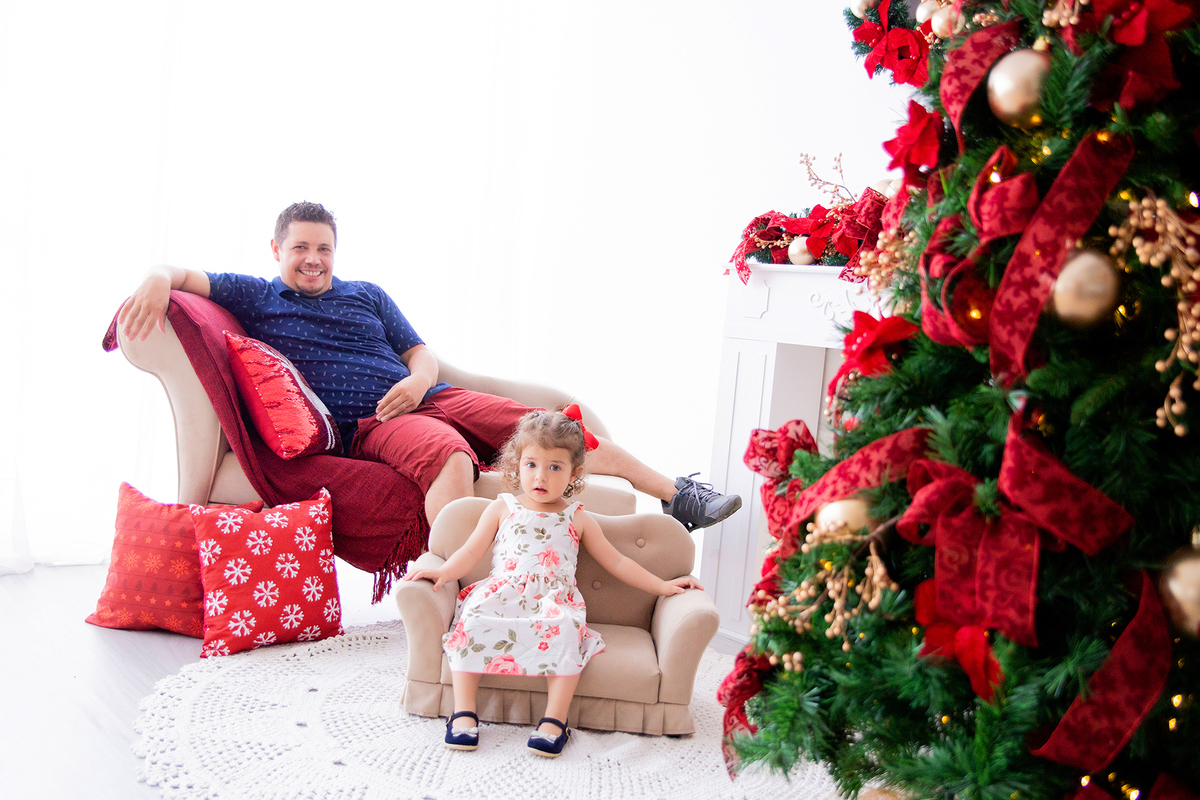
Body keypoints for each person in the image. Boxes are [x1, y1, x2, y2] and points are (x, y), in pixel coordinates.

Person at [118, 201, 741, 529]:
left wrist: (419, 379)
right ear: (276, 249)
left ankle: (678, 495)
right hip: (380, 422)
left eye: (324, 248)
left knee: (556, 431)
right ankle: (454, 593)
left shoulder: (366, 294)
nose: (314, 258)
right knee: (446, 456)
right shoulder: (256, 294)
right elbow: (181, 275)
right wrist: (153, 276)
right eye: (301, 247)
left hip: (428, 392)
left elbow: (420, 351)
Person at [403, 409, 703, 756]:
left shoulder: (577, 516)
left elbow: (618, 562)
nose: (540, 476)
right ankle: (464, 710)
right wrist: (442, 572)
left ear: (574, 474)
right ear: (517, 465)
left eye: (554, 467)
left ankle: (554, 721)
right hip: (503, 590)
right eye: (531, 464)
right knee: (472, 622)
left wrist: (663, 586)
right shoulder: (502, 507)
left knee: (565, 632)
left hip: (554, 598)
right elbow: (470, 551)